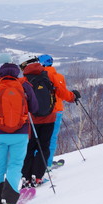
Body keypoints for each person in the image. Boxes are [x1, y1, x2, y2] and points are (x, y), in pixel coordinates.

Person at [0, 53, 38, 204]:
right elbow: (34, 108)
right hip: (20, 134)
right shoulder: (23, 84)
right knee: (15, 166)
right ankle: (10, 201)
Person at [19, 55, 77, 187]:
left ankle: (26, 177)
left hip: (31, 121)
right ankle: (38, 176)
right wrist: (73, 97)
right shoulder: (48, 76)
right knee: (44, 147)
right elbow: (61, 92)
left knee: (28, 148)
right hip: (49, 117)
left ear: (23, 66)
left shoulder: (22, 81)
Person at [35, 54, 80, 168]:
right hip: (56, 111)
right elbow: (63, 93)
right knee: (51, 139)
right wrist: (73, 96)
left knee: (37, 139)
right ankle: (46, 164)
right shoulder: (58, 76)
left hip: (39, 112)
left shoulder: (36, 76)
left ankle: (37, 164)